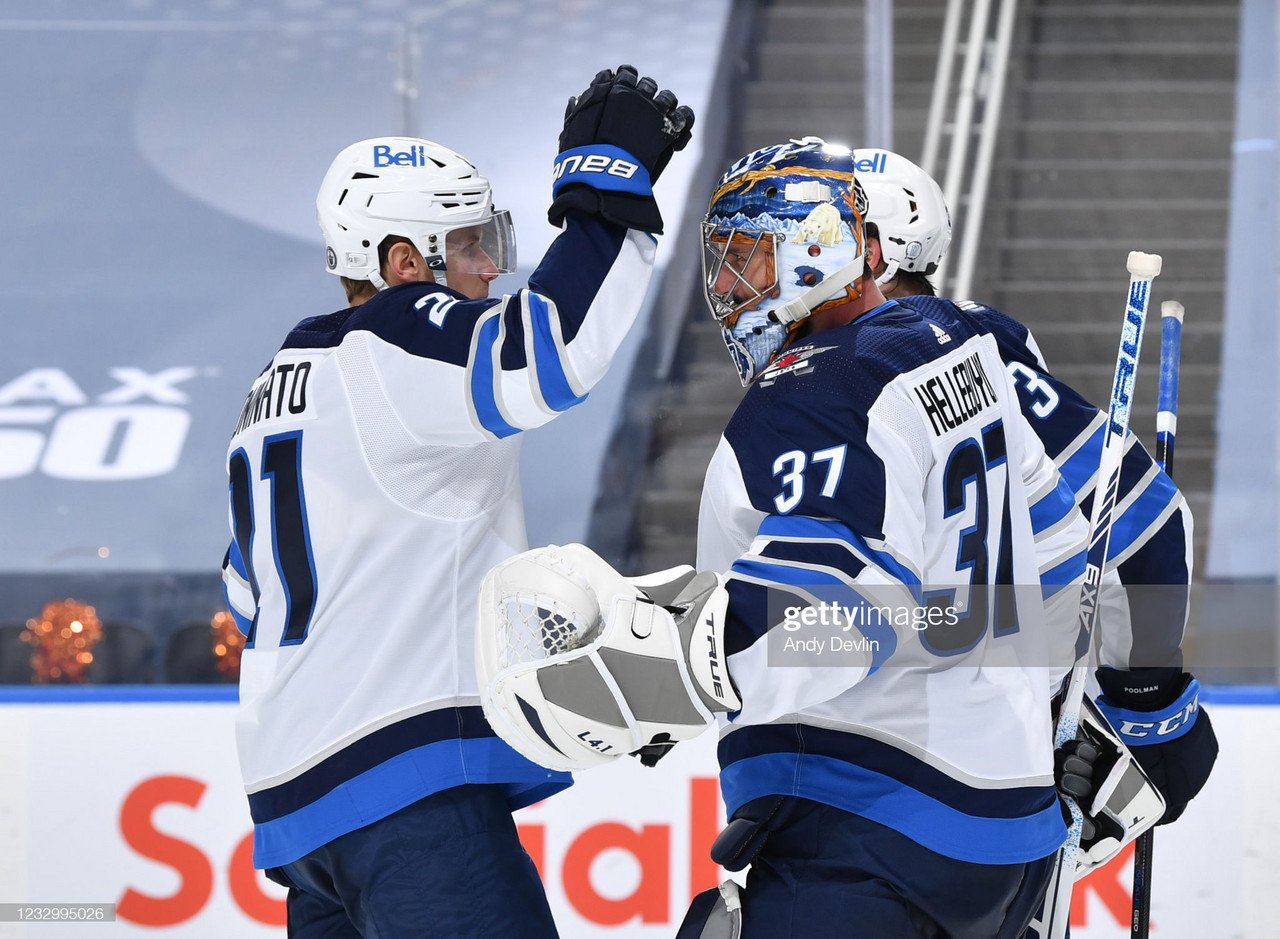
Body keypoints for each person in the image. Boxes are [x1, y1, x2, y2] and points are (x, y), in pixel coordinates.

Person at [473, 138, 1094, 937]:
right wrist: (957, 638)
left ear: (817, 250)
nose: (730, 289)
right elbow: (1058, 554)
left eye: (750, 258)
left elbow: (840, 614)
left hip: (863, 829)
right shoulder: (958, 346)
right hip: (1005, 837)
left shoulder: (819, 383)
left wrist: (664, 676)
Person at [219, 65, 693, 937]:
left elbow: (247, 594)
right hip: (403, 787)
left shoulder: (268, 394)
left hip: (303, 814)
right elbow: (545, 353)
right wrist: (606, 196)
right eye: (472, 245)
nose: (489, 269)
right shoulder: (390, 337)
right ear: (404, 263)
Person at [852, 146, 1218, 841]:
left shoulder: (955, 347)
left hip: (969, 776)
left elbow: (1142, 518)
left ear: (877, 252)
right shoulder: (818, 371)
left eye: (812, 234)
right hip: (875, 769)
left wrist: (1147, 712)